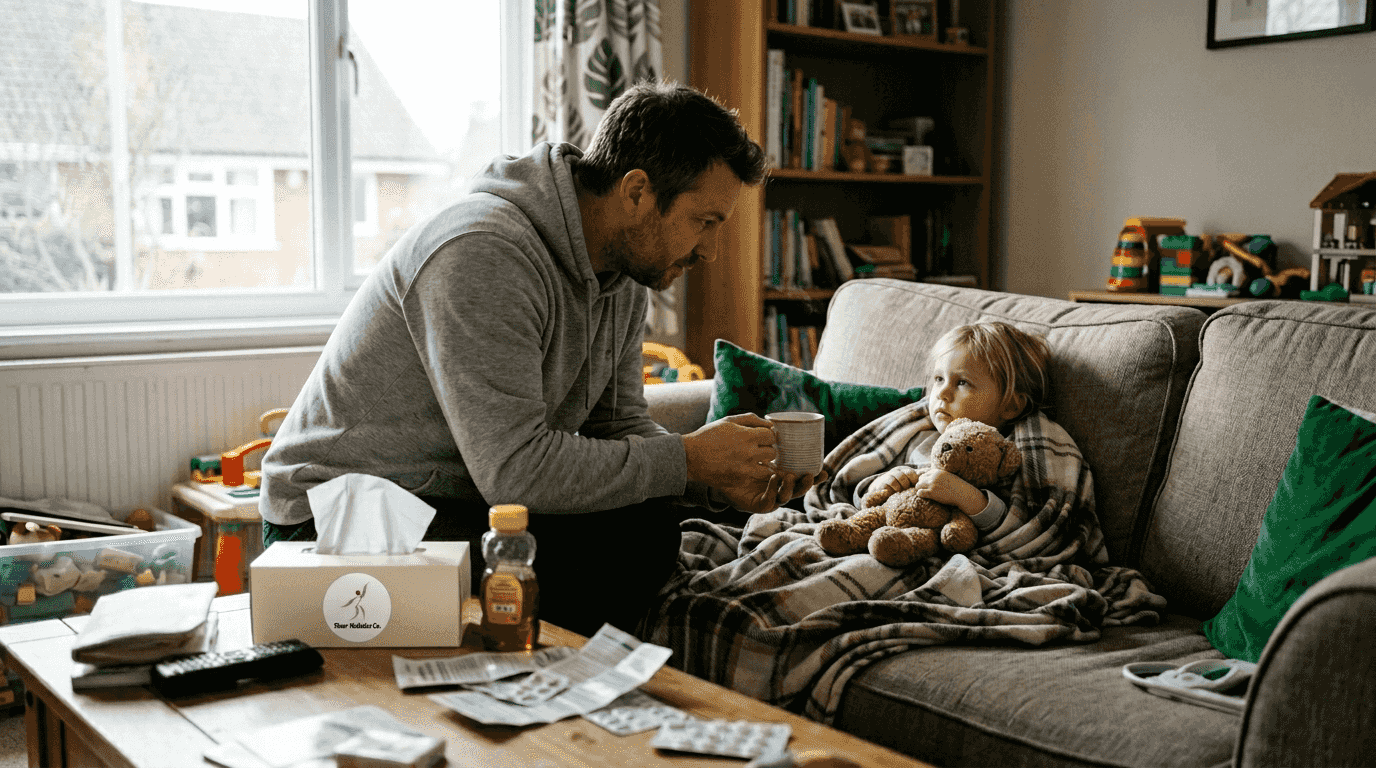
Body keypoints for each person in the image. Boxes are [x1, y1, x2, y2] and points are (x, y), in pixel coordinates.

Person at [259, 82, 823, 637]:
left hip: (460, 495)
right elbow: (515, 472)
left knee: (645, 526)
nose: (710, 250)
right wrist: (689, 461)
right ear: (636, 193)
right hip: (340, 512)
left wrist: (715, 481)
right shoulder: (483, 253)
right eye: (705, 221)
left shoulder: (624, 278)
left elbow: (617, 427)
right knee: (628, 543)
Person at [852, 321, 1051, 534]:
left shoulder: (1008, 456)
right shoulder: (920, 437)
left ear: (1011, 405)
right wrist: (879, 486)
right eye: (938, 379)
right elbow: (856, 494)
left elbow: (1018, 526)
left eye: (962, 382)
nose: (941, 393)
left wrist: (965, 496)